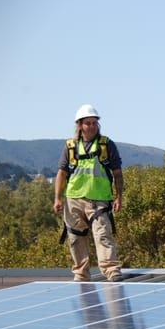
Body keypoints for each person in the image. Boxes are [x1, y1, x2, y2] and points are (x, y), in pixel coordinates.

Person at [54, 104, 124, 282]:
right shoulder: (70, 147)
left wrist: (119, 197)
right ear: (80, 125)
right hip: (74, 200)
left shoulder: (106, 145)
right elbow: (62, 173)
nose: (92, 126)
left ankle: (111, 270)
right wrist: (57, 198)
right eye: (88, 123)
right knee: (76, 239)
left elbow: (117, 172)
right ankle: (81, 274)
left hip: (99, 200)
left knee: (103, 235)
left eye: (94, 123)